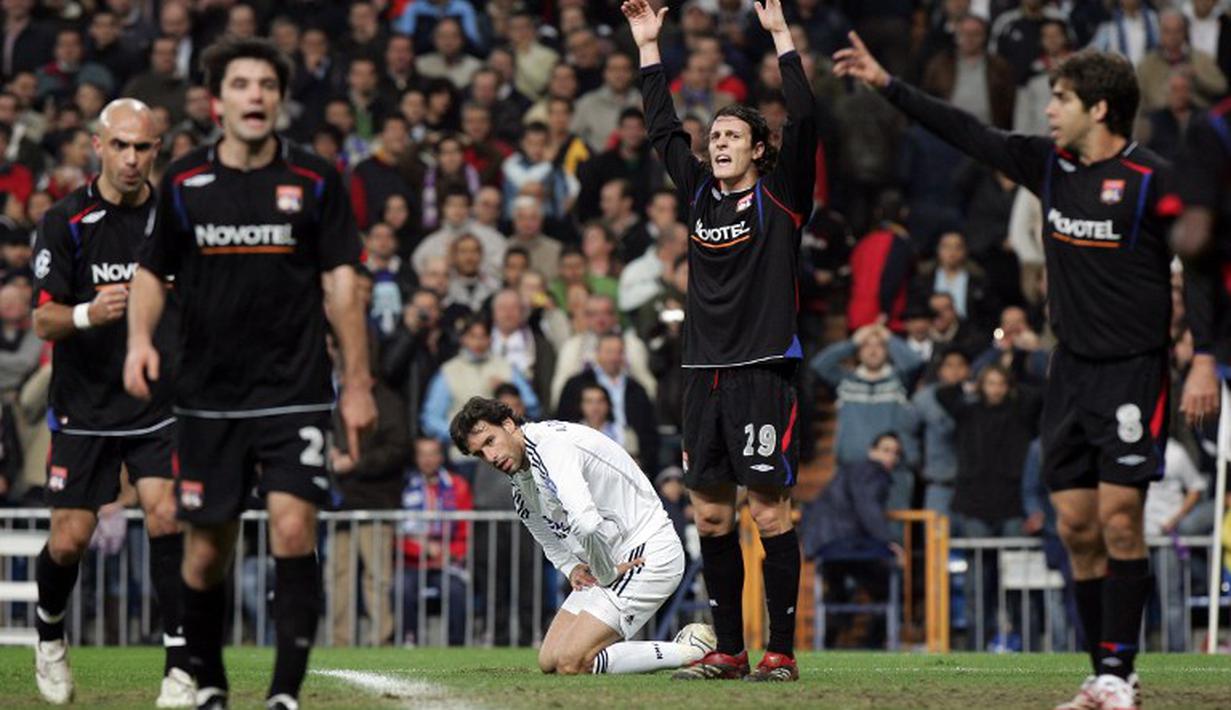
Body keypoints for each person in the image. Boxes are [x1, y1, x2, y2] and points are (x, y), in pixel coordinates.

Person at [836, 32, 1178, 709]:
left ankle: (1119, 673)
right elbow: (966, 131)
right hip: (1069, 372)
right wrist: (887, 84)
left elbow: (1198, 262)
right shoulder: (1046, 166)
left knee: (1117, 520)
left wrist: (1204, 358)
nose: (1048, 110)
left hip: (1133, 371)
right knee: (1076, 526)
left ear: (1101, 110)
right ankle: (1103, 672)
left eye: (1060, 99)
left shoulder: (1150, 180)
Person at [123, 38, 375, 710]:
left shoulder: (317, 179)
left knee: (294, 529)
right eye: (240, 84)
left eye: (266, 84)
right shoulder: (182, 182)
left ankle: (283, 697)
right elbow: (151, 272)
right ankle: (209, 686)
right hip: (207, 398)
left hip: (293, 392)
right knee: (205, 553)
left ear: (279, 99)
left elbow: (344, 284)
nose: (255, 94)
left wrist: (356, 382)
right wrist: (138, 341)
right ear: (218, 101)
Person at [627, 0, 816, 682]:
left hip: (762, 371)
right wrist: (648, 46)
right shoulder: (701, 195)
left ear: (759, 150)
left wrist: (779, 36)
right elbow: (660, 130)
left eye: (734, 135)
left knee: (767, 511)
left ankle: (782, 652)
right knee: (710, 516)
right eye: (715, 135)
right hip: (700, 372)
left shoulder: (782, 197)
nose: (719, 142)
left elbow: (807, 118)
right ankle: (731, 651)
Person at [29, 99, 193, 707]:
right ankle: (48, 631)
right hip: (85, 407)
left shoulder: (174, 220)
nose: (131, 158)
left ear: (157, 150)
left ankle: (180, 662)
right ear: (97, 146)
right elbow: (43, 320)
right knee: (70, 539)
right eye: (120, 145)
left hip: (159, 404)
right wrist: (87, 312)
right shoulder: (66, 220)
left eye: (142, 147)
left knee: (167, 513)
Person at [449, 396, 700, 675]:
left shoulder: (551, 447)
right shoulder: (521, 478)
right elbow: (540, 530)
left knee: (571, 662)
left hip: (647, 552)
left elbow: (587, 523)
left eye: (490, 442)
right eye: (480, 453)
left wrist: (605, 573)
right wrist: (570, 567)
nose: (490, 457)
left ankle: (692, 649)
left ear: (508, 424)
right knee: (549, 661)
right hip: (612, 558)